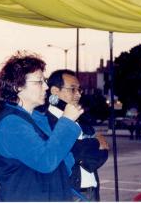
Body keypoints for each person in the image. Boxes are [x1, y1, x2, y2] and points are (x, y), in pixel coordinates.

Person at [0, 52, 83, 201]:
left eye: (44, 80)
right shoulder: (11, 124)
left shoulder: (36, 119)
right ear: (18, 87)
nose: (46, 86)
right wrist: (66, 121)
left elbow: (62, 160)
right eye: (39, 81)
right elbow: (45, 161)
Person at [44, 69, 109, 201]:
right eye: (72, 89)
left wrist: (81, 152)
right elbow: (71, 151)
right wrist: (95, 143)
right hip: (68, 193)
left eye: (79, 89)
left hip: (92, 191)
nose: (78, 94)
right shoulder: (46, 121)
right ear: (55, 91)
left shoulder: (82, 120)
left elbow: (104, 152)